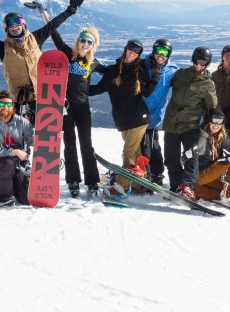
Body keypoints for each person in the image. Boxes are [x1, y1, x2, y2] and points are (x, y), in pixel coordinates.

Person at [0, 0, 84, 122]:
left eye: (17, 22)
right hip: (19, 100)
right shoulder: (3, 48)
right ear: (6, 28)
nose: (14, 26)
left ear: (23, 24)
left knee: (42, 133)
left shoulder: (36, 38)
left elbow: (53, 25)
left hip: (41, 96)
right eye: (10, 24)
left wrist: (70, 11)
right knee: (20, 136)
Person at [89, 39, 156, 195]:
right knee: (136, 154)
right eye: (131, 49)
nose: (133, 53)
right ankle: (141, 185)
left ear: (139, 55)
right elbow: (97, 89)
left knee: (128, 153)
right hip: (123, 120)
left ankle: (121, 187)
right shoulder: (113, 71)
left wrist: (155, 78)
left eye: (137, 52)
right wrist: (77, 88)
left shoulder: (141, 71)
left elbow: (146, 92)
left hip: (139, 118)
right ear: (126, 49)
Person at [47, 23, 106, 198]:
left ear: (93, 45)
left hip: (83, 109)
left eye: (89, 42)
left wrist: (90, 91)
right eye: (83, 40)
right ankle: (73, 180)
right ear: (78, 41)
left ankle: (92, 181)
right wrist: (45, 14)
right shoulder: (67, 55)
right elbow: (55, 35)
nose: (85, 44)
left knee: (86, 145)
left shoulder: (93, 63)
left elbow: (109, 76)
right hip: (65, 109)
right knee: (70, 145)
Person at [163, 46, 218, 197]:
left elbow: (212, 107)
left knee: (191, 158)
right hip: (171, 124)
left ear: (207, 63)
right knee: (170, 159)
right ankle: (175, 185)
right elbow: (163, 81)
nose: (199, 64)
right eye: (196, 61)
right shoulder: (181, 74)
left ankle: (187, 187)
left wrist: (212, 124)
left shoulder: (208, 84)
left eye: (203, 62)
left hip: (190, 126)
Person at [0, 90, 33, 205]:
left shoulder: (23, 122)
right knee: (8, 164)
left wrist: (55, 136)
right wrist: (14, 152)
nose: (5, 107)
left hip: (19, 165)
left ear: (13, 106)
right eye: (2, 104)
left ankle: (12, 186)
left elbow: (32, 140)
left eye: (8, 104)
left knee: (27, 199)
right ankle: (2, 196)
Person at [140, 38, 177, 186]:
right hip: (140, 114)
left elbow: (186, 78)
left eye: (165, 52)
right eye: (158, 51)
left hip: (155, 117)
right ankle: (147, 174)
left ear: (169, 55)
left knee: (154, 146)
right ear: (153, 51)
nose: (161, 55)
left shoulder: (172, 70)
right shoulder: (143, 66)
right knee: (146, 146)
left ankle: (157, 174)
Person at [190, 107, 230, 201]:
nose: (216, 124)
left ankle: (229, 194)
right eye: (215, 120)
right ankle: (191, 190)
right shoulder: (200, 135)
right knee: (194, 189)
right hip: (197, 176)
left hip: (209, 177)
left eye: (220, 121)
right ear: (209, 120)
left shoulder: (221, 136)